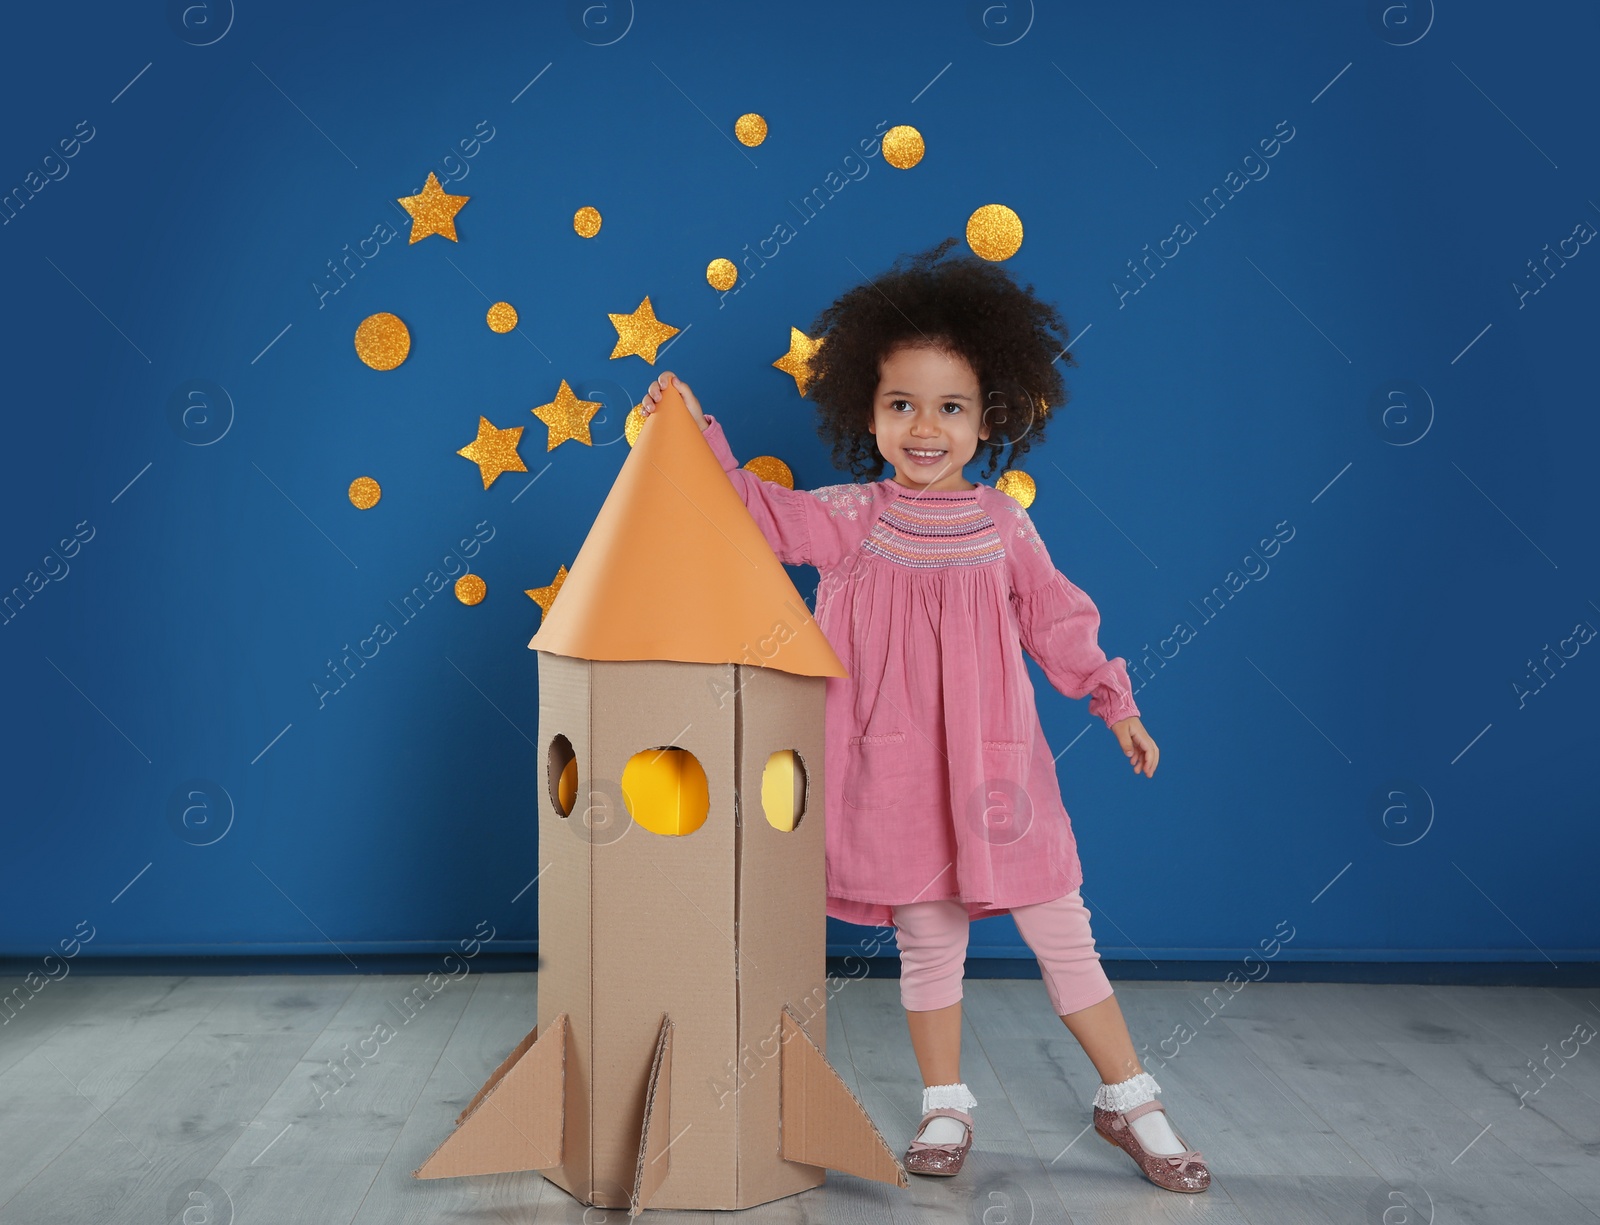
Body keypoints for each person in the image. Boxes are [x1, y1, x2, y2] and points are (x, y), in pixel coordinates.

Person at [637, 238, 1210, 1194]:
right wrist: (696, 427)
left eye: (950, 408)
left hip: (996, 772)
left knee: (1059, 923)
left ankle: (1132, 1099)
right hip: (893, 773)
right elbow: (752, 513)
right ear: (868, 409)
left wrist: (1115, 699)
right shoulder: (852, 518)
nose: (926, 428)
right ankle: (945, 1099)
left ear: (988, 419)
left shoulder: (1002, 524)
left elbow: (1056, 617)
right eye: (902, 405)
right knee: (928, 936)